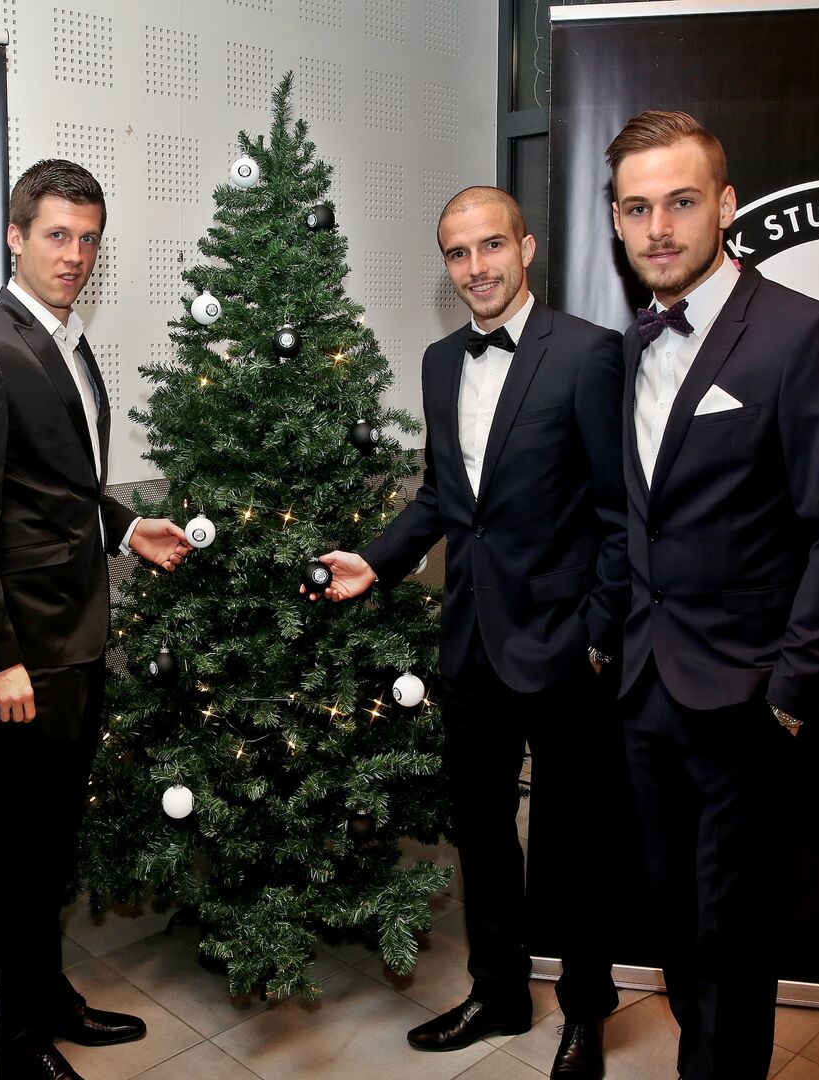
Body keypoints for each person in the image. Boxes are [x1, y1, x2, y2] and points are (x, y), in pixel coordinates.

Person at [306, 186, 628, 1078]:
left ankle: (585, 1014)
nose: (476, 268)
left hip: (566, 650)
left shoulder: (590, 354)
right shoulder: (441, 360)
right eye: (457, 253)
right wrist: (376, 561)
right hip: (472, 642)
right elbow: (447, 499)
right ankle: (498, 993)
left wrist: (600, 635)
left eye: (491, 246)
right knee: (482, 834)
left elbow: (618, 513)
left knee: (572, 850)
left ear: (526, 247)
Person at [605, 110, 819, 1080]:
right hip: (647, 692)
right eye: (637, 208)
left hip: (749, 702)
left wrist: (792, 694)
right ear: (616, 220)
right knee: (678, 923)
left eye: (681, 202)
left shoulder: (803, 334)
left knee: (733, 934)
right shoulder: (633, 346)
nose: (659, 228)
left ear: (727, 205)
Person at [0, 159, 190, 1080]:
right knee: (19, 858)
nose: (75, 255)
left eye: (88, 239)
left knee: (49, 849)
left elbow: (55, 488)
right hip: (25, 659)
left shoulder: (67, 341)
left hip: (77, 639)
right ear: (15, 237)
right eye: (56, 235)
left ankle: (50, 1000)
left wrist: (126, 526)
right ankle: (20, 1045)